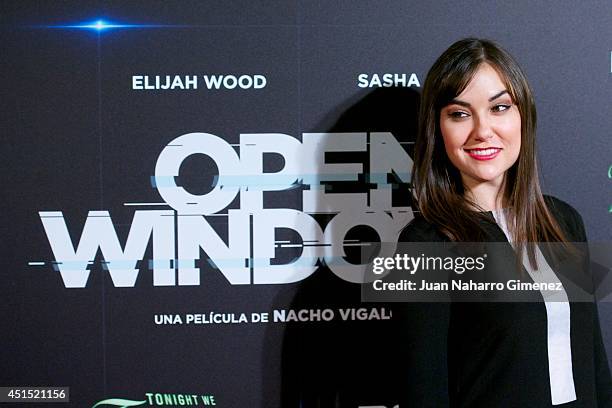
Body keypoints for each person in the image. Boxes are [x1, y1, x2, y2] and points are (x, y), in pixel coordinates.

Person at [399, 38, 611, 407]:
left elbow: (594, 361)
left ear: (523, 116)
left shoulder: (565, 221)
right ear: (438, 129)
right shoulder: (426, 244)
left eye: (499, 108)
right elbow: (423, 391)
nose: (483, 130)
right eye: (460, 114)